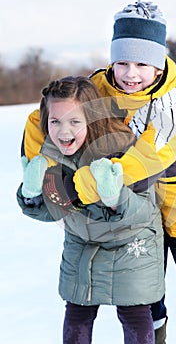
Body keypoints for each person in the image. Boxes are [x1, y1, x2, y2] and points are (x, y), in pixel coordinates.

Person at [19, 0, 176, 344]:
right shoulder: (97, 89)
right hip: (134, 210)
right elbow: (42, 118)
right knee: (146, 280)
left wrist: (85, 185)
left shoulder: (173, 104)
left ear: (159, 64)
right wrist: (41, 169)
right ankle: (155, 332)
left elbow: (149, 157)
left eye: (142, 64)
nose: (131, 73)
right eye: (122, 63)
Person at [17, 76, 165, 344]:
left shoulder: (123, 147)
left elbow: (145, 210)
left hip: (131, 244)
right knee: (77, 310)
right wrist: (32, 196)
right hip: (82, 241)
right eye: (55, 121)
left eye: (75, 122)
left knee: (133, 311)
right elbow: (55, 209)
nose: (64, 132)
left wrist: (115, 196)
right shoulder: (51, 154)